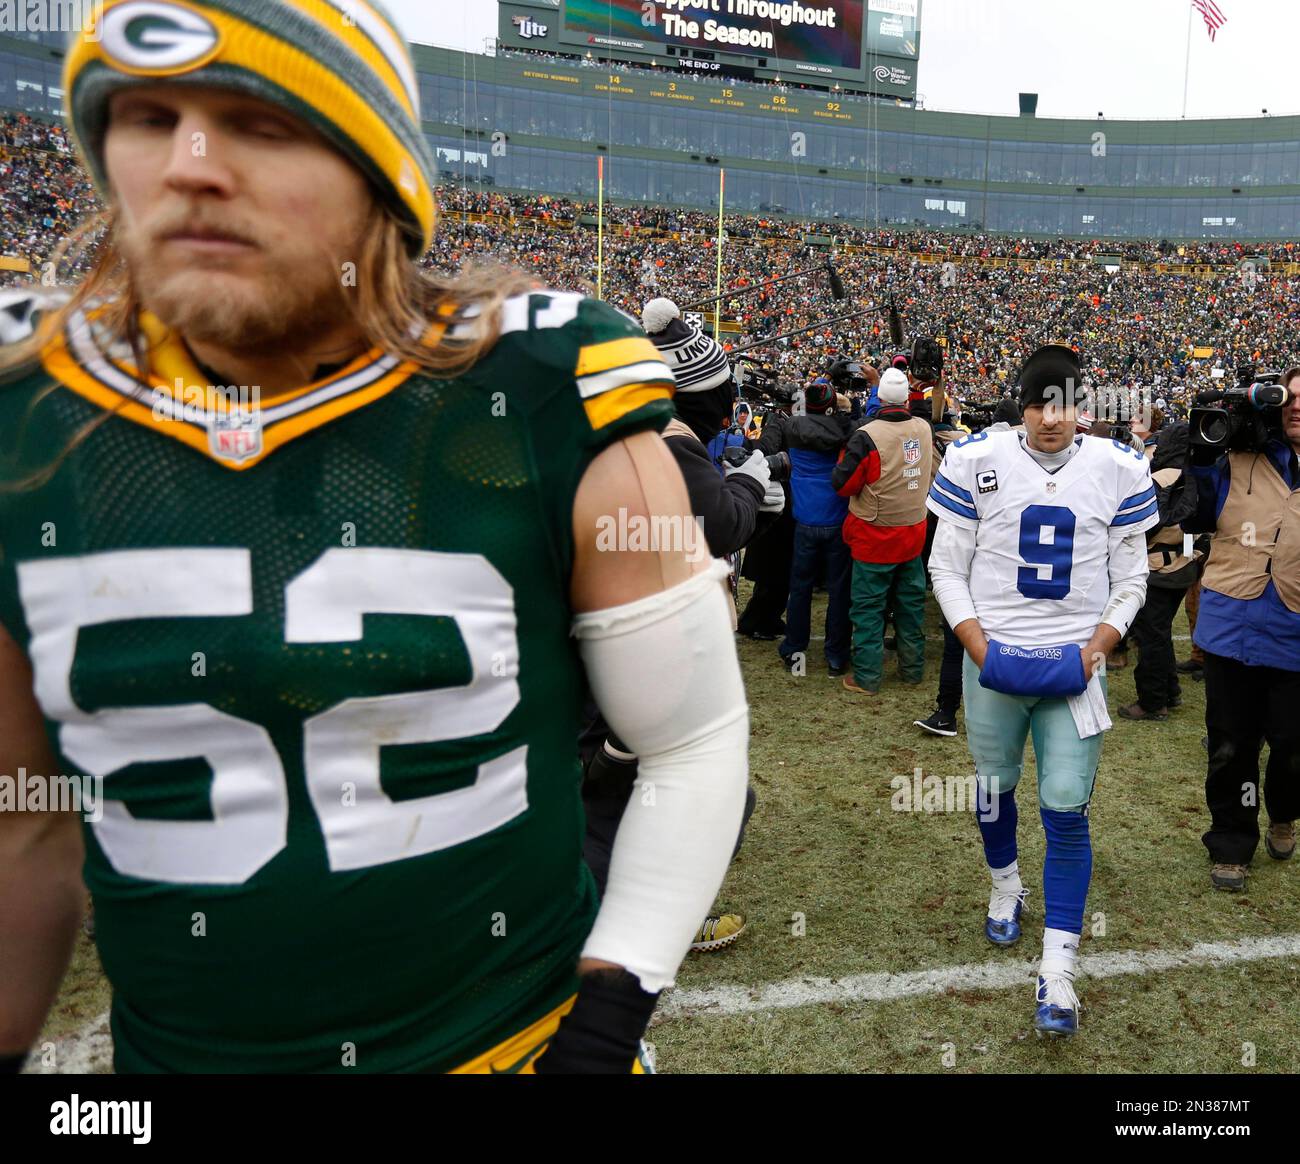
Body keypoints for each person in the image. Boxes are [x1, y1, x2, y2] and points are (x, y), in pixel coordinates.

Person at [0, 1, 749, 1075]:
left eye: (261, 123)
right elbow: (19, 818)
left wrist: (605, 1019)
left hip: (507, 1045)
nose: (191, 167)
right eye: (149, 117)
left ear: (380, 174)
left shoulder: (537, 389)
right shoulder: (26, 422)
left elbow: (690, 737)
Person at [927, 344, 1158, 1037]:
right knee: (993, 785)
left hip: (1073, 669)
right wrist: (977, 644)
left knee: (1064, 806)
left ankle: (1058, 971)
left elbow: (1132, 579)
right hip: (993, 656)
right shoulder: (975, 458)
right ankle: (1005, 886)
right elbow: (946, 566)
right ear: (1020, 404)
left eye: (1059, 405)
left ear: (1079, 407)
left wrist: (1100, 644)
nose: (1048, 419)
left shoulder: (1118, 468)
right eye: (1036, 403)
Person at [1184, 367, 1300, 891]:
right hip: (1233, 623)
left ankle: (1284, 809)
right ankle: (1231, 841)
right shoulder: (1236, 452)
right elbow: (1194, 516)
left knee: (1293, 745)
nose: (1297, 407)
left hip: (1295, 634)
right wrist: (1203, 452)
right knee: (1231, 745)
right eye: (1289, 398)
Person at [832, 368, 932, 695]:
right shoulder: (924, 428)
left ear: (879, 397)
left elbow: (844, 484)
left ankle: (867, 677)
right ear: (905, 398)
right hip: (913, 532)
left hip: (876, 535)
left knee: (868, 609)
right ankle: (912, 670)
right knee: (910, 605)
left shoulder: (866, 435)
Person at [776, 377, 855, 676]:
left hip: (806, 522)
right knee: (839, 591)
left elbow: (792, 414)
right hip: (836, 521)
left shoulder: (792, 427)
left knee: (801, 589)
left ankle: (795, 648)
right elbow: (858, 422)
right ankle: (835, 656)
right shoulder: (844, 429)